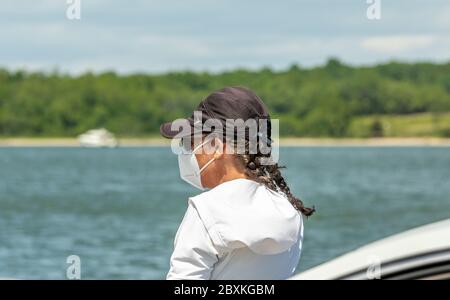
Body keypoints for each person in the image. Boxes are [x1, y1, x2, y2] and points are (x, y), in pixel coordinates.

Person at [160, 86, 314, 280]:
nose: (186, 152)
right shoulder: (288, 207)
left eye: (190, 143)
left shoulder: (206, 212)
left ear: (216, 146)